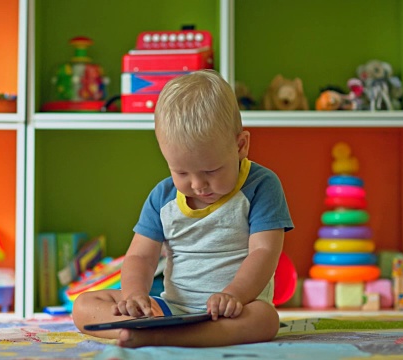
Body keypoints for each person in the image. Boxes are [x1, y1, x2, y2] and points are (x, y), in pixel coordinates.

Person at [72, 69, 294, 348]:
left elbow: (264, 252)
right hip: (168, 311)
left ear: (240, 146)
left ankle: (157, 336)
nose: (199, 185)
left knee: (265, 319)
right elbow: (140, 256)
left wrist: (234, 295)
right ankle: (148, 328)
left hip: (233, 311)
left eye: (211, 170)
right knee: (84, 304)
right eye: (182, 173)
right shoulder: (162, 197)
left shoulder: (261, 186)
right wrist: (134, 295)